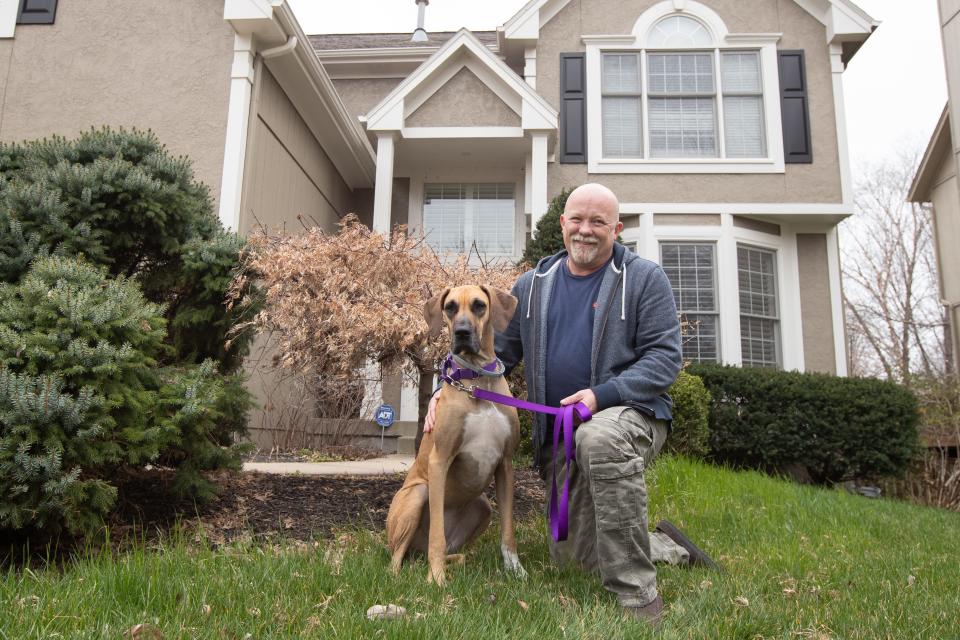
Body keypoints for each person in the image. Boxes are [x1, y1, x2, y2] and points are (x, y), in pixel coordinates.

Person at [425, 183, 715, 624]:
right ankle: (667, 546)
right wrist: (443, 391)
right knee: (573, 558)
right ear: (562, 224)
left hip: (628, 415)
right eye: (577, 219)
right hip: (560, 437)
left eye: (598, 222)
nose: (585, 230)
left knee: (598, 438)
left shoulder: (643, 279)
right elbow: (493, 354)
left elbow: (665, 359)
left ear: (616, 229)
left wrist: (602, 395)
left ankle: (637, 595)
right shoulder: (533, 285)